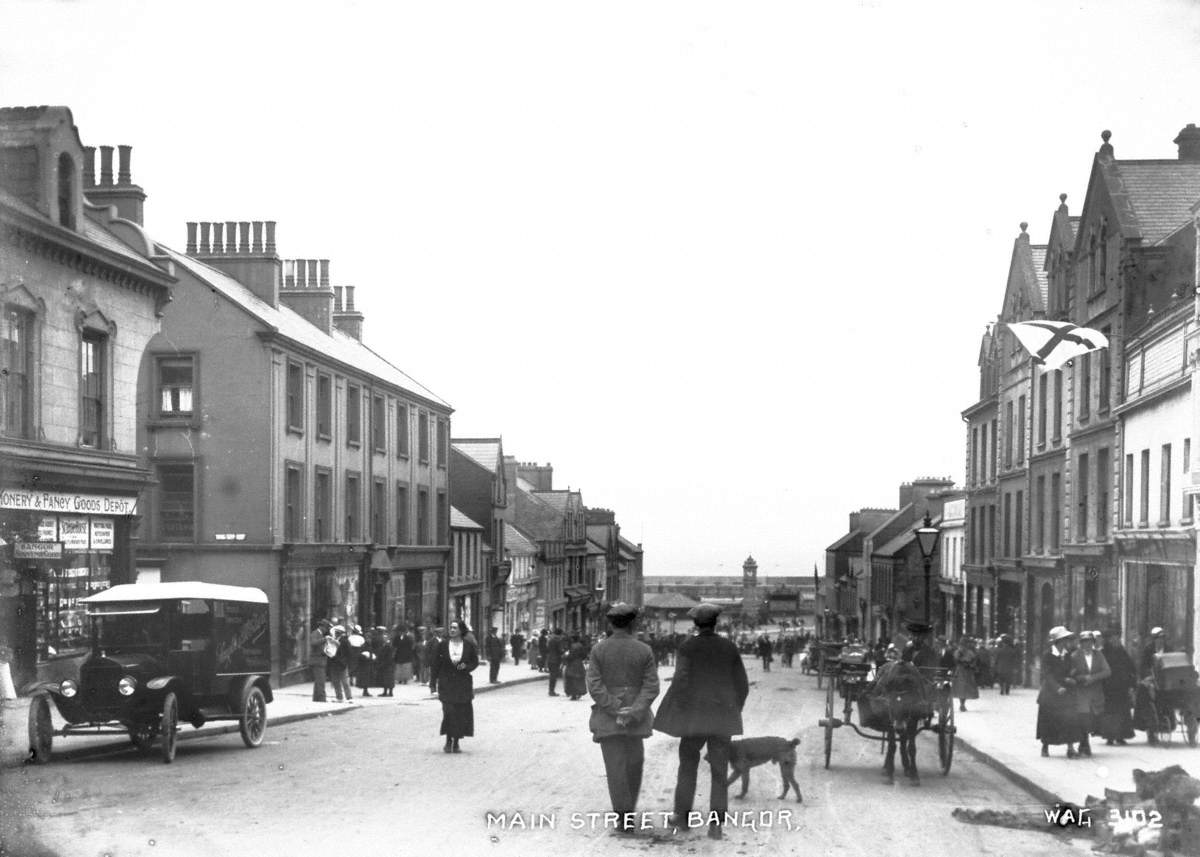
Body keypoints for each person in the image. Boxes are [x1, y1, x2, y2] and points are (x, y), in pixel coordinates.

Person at [654, 603, 749, 841]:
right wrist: (733, 708)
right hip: (721, 719)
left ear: (696, 624)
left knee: (687, 766)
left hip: (695, 719)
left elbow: (681, 681)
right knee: (719, 771)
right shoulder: (729, 647)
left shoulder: (688, 647)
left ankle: (682, 817)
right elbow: (742, 685)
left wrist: (682, 709)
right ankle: (716, 826)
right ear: (715, 623)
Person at [586, 603, 660, 837]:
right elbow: (652, 686)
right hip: (636, 720)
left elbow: (595, 687)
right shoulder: (644, 650)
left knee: (615, 768)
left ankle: (624, 817)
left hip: (609, 719)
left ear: (610, 624)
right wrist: (633, 710)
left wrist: (616, 709)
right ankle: (628, 812)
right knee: (634, 765)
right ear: (632, 623)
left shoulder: (598, 650)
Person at [429, 619, 480, 753]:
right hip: (446, 683)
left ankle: (456, 742)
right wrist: (432, 684)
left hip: (462, 684)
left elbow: (474, 662)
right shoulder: (443, 645)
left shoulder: (468, 645)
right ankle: (448, 740)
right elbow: (435, 665)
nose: (452, 630)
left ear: (461, 630)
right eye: (451, 628)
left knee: (459, 714)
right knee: (449, 712)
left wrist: (466, 666)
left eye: (455, 628)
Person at [1037, 626, 1080, 758]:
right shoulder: (1048, 655)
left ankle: (1070, 747)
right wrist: (1057, 686)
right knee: (1049, 720)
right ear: (1059, 641)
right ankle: (1045, 746)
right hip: (1051, 693)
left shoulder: (1067, 655)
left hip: (1066, 692)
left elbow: (1069, 670)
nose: (1067, 642)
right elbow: (1047, 674)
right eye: (1065, 639)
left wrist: (1072, 677)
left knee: (1069, 719)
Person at [1069, 630, 1111, 757]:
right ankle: (1084, 743)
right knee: (1083, 717)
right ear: (1080, 644)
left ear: (1093, 643)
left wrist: (1093, 678)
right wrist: (1082, 678)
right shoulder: (1075, 656)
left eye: (1089, 642)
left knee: (1092, 719)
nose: (1087, 645)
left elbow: (1107, 671)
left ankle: (1085, 743)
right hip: (1081, 693)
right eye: (1084, 642)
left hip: (1095, 693)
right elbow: (1071, 674)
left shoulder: (1099, 655)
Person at [1098, 626, 1136, 746]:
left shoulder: (1122, 651)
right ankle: (1110, 736)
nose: (1116, 640)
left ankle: (1121, 735)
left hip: (1121, 687)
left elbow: (1131, 667)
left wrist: (1131, 683)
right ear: (1109, 640)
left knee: (1122, 712)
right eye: (1113, 638)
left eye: (1117, 638)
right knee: (1110, 712)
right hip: (1108, 687)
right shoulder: (1103, 653)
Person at [308, 618, 333, 702]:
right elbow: (313, 643)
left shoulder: (320, 634)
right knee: (321, 681)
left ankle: (316, 699)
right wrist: (325, 639)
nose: (326, 630)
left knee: (318, 681)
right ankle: (322, 698)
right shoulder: (315, 633)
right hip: (317, 661)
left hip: (320, 661)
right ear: (322, 627)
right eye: (326, 628)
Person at [953, 638, 980, 712]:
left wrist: (970, 665)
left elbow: (974, 660)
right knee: (961, 688)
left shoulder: (970, 652)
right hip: (961, 671)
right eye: (962, 644)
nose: (963, 646)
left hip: (967, 671)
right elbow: (955, 660)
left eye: (964, 644)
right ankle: (962, 704)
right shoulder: (958, 652)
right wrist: (962, 662)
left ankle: (962, 704)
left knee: (964, 688)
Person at [328, 625, 354, 703]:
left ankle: (349, 697)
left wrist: (346, 662)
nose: (335, 634)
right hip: (334, 662)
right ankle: (339, 697)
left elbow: (349, 652)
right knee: (335, 681)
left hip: (342, 664)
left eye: (336, 632)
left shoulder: (345, 641)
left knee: (345, 681)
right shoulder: (332, 640)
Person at [563, 633, 588, 700]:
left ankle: (573, 694)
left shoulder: (572, 646)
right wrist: (580, 659)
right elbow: (584, 655)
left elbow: (570, 656)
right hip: (579, 663)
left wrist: (565, 656)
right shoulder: (581, 645)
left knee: (571, 678)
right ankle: (579, 692)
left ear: (573, 639)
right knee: (579, 678)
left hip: (572, 664)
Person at [546, 627, 565, 696]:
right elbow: (560, 650)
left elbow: (547, 648)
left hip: (550, 659)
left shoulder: (550, 639)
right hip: (556, 659)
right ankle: (552, 691)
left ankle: (551, 690)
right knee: (554, 676)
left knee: (551, 675)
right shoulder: (558, 640)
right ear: (559, 634)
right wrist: (564, 652)